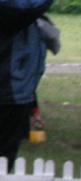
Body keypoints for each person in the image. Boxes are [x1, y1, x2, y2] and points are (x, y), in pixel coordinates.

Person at [0, 0, 53, 171]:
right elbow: (25, 10)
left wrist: (33, 105)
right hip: (8, 93)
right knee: (3, 160)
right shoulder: (13, 8)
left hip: (15, 92)